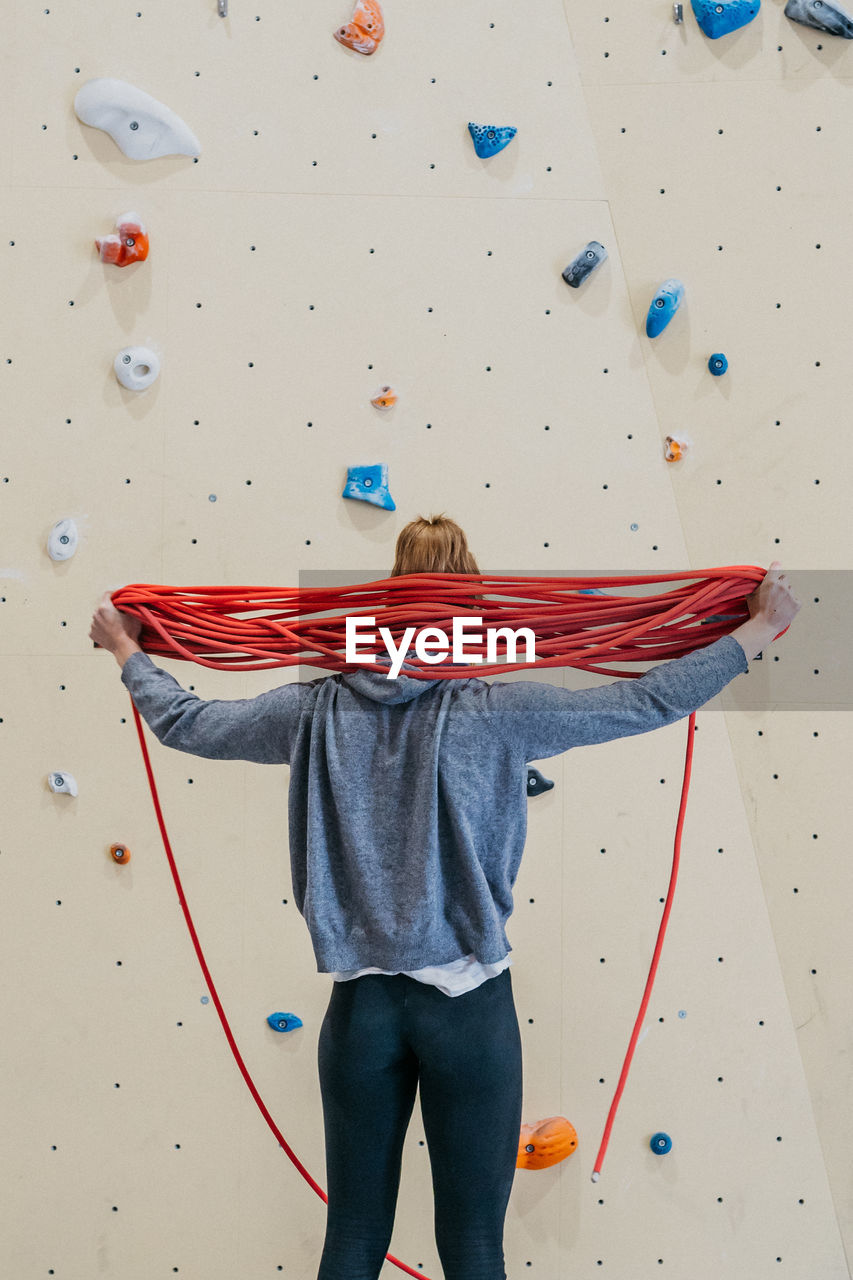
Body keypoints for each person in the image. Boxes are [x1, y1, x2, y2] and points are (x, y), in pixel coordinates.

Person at [89, 516, 801, 1280]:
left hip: (359, 1014)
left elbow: (189, 723)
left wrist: (127, 647)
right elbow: (643, 703)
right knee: (473, 1251)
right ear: (472, 605)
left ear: (389, 598)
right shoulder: (495, 711)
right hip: (469, 1011)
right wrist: (757, 629)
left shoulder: (315, 709)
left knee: (353, 1242)